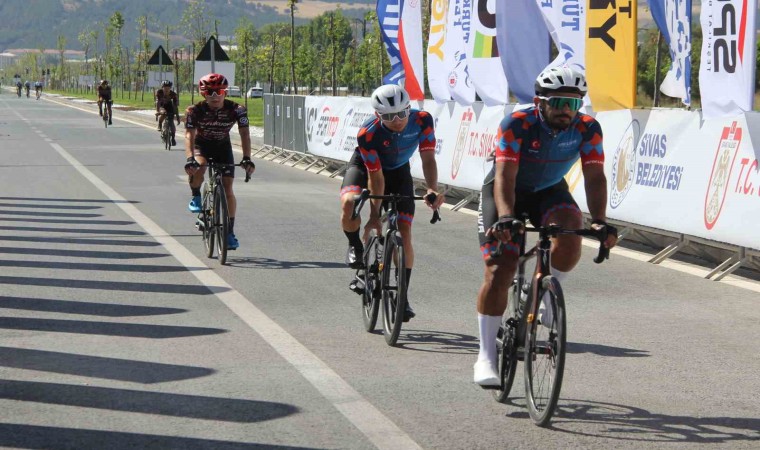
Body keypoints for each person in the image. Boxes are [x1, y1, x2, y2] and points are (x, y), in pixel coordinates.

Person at [472, 66, 618, 386]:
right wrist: (507, 217)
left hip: (548, 191)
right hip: (506, 191)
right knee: (500, 267)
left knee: (571, 229)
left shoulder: (588, 128)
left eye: (574, 103)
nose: (567, 110)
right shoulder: (517, 124)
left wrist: (601, 221)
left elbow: (595, 177)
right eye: (559, 103)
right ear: (540, 102)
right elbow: (505, 176)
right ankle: (486, 356)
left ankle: (545, 291)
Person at [339, 84, 445, 321]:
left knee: (405, 232)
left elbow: (428, 158)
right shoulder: (368, 133)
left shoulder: (423, 120)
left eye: (401, 113)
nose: (397, 121)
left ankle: (402, 297)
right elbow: (375, 177)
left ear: (409, 108)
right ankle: (355, 245)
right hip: (365, 167)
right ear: (377, 115)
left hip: (398, 171)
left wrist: (432, 189)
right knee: (348, 204)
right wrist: (374, 216)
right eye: (388, 116)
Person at [183, 73, 255, 250]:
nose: (215, 96)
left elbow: (244, 134)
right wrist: (190, 159)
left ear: (225, 92)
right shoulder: (194, 111)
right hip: (202, 145)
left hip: (223, 147)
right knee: (199, 167)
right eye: (210, 92)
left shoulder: (237, 110)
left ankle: (229, 231)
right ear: (203, 94)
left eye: (219, 91)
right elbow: (189, 135)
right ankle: (196, 195)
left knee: (228, 188)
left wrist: (247, 158)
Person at [155, 80, 180, 146]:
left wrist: (177, 116)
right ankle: (160, 124)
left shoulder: (173, 94)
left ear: (170, 88)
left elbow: (175, 106)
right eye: (165, 88)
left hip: (170, 106)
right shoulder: (159, 92)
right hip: (162, 106)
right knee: (163, 113)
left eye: (168, 88)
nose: (166, 90)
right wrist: (158, 111)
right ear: (162, 88)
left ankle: (173, 138)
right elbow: (158, 103)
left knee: (171, 123)